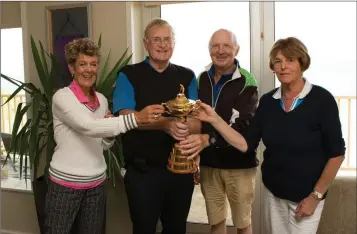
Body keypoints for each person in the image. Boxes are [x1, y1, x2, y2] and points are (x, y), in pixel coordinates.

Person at [190, 37, 346, 234]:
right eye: (278, 61)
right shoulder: (268, 102)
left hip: (307, 196)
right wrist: (214, 119)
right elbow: (246, 144)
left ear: (302, 63)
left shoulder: (322, 100)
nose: (283, 67)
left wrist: (315, 196)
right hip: (274, 195)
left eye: (290, 60)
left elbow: (337, 153)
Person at [44, 38, 164, 234]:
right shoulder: (62, 97)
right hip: (65, 185)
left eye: (93, 64)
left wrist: (108, 135)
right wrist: (137, 118)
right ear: (71, 67)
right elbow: (87, 126)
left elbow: (101, 142)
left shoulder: (101, 100)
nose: (89, 69)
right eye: (82, 64)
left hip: (96, 184)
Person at [112, 19, 201, 234]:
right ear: (146, 43)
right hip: (143, 172)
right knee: (143, 229)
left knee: (176, 229)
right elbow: (125, 115)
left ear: (174, 42)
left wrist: (187, 128)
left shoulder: (187, 76)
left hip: (180, 171)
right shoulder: (128, 75)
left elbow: (197, 120)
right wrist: (167, 125)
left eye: (167, 39)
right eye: (156, 40)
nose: (162, 45)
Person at [179, 29, 259, 234]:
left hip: (239, 165)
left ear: (236, 49)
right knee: (215, 222)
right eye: (215, 46)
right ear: (209, 50)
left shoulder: (247, 82)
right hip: (209, 164)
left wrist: (208, 139)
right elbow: (196, 118)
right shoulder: (201, 78)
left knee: (243, 223)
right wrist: (195, 155)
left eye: (226, 46)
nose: (220, 51)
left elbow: (242, 125)